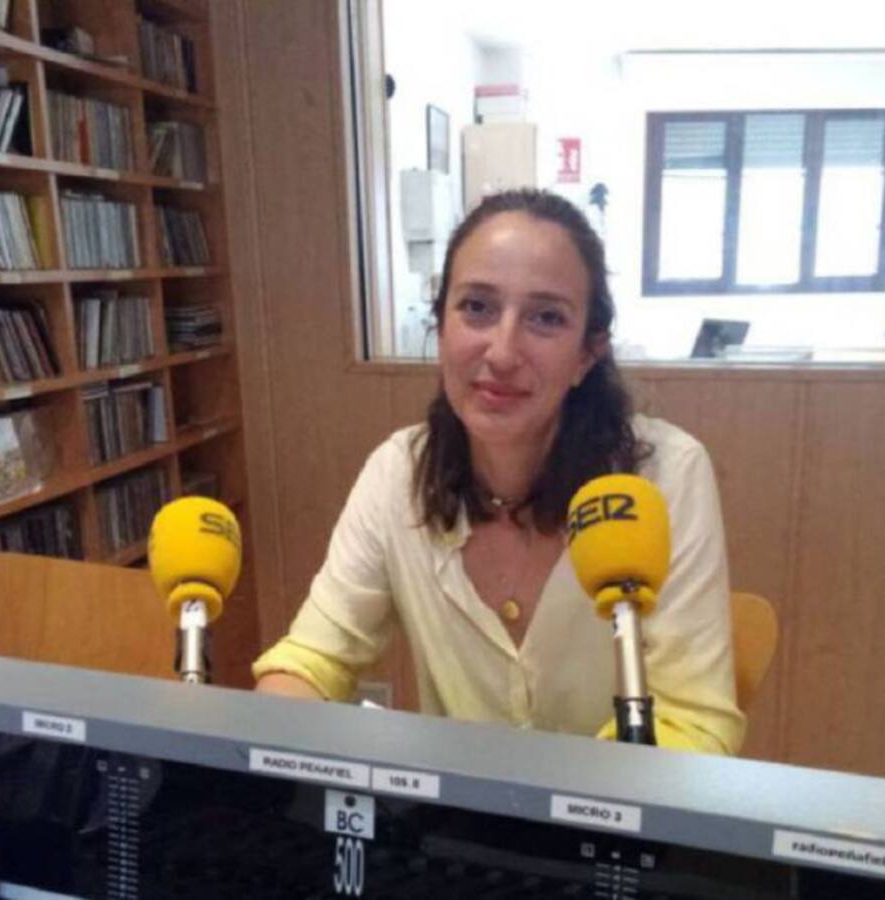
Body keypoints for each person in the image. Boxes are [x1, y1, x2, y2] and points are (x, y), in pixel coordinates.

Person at [254, 188, 745, 754]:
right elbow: (314, 658)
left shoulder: (667, 476)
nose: (503, 352)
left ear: (588, 353)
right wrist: (262, 750)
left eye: (546, 317)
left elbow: (695, 723)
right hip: (454, 811)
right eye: (477, 307)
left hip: (618, 808)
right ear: (441, 327)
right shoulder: (397, 473)